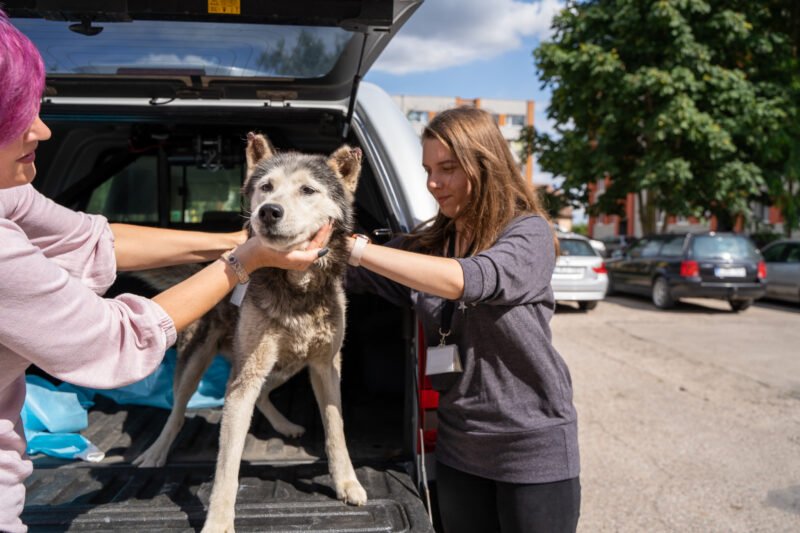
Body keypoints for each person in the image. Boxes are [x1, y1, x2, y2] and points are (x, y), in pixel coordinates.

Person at [0, 11, 330, 533]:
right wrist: (247, 261)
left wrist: (233, 241)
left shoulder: (8, 196)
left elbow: (90, 237)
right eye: (18, 116)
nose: (42, 128)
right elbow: (118, 343)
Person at [345, 107, 580, 532]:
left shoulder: (528, 234)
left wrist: (359, 250)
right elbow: (353, 274)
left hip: (529, 448)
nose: (434, 183)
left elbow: (471, 279)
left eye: (448, 168)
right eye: (428, 170)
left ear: (484, 165)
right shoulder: (433, 243)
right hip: (458, 448)